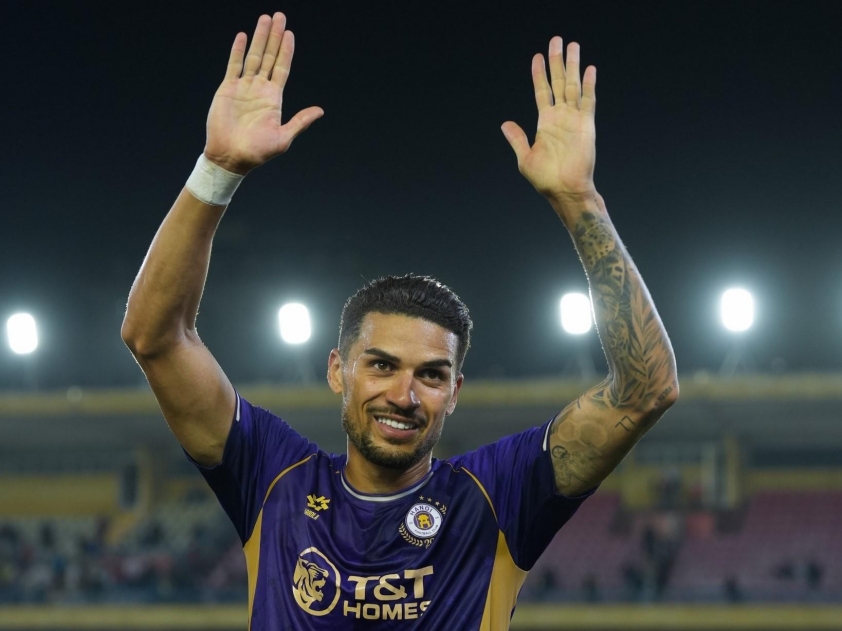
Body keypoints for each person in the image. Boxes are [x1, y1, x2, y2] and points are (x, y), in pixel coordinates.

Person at [121, 11, 678, 629]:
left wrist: (580, 200)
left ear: (455, 391)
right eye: (382, 365)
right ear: (338, 370)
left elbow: (645, 391)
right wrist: (217, 169)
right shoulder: (271, 477)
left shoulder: (498, 495)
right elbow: (155, 337)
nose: (404, 395)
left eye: (431, 375)